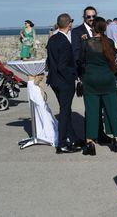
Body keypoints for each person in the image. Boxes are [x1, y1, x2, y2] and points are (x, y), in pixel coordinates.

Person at [80, 17, 117, 155]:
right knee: (112, 108)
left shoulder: (86, 43)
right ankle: (116, 138)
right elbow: (114, 59)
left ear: (93, 28)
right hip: (107, 78)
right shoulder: (109, 42)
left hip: (91, 79)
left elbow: (80, 61)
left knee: (92, 111)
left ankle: (90, 141)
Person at [71, 6, 112, 145]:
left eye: (93, 16)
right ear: (84, 17)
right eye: (88, 17)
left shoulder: (100, 32)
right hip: (86, 74)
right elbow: (76, 54)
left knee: (100, 106)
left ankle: (100, 134)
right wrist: (80, 75)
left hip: (101, 75)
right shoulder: (77, 32)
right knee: (90, 108)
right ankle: (90, 136)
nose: (91, 19)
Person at [46, 13, 83, 154]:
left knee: (65, 110)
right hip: (64, 82)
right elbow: (63, 65)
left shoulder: (53, 39)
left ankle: (73, 138)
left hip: (54, 80)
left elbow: (49, 61)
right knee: (64, 112)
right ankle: (61, 144)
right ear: (69, 24)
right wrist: (73, 75)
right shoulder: (65, 42)